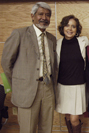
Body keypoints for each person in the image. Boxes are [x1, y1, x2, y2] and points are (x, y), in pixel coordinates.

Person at [1, 2, 57, 133]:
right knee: (28, 129)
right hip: (26, 90)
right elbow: (6, 62)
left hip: (48, 89)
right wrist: (16, 86)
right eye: (41, 14)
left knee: (46, 128)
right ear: (33, 16)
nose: (44, 17)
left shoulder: (52, 39)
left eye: (48, 15)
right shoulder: (19, 34)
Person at [56, 15, 89, 133]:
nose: (70, 29)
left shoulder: (83, 41)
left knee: (74, 118)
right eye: (67, 25)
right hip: (62, 86)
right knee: (67, 116)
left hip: (78, 86)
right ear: (62, 27)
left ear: (77, 29)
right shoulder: (57, 44)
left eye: (73, 26)